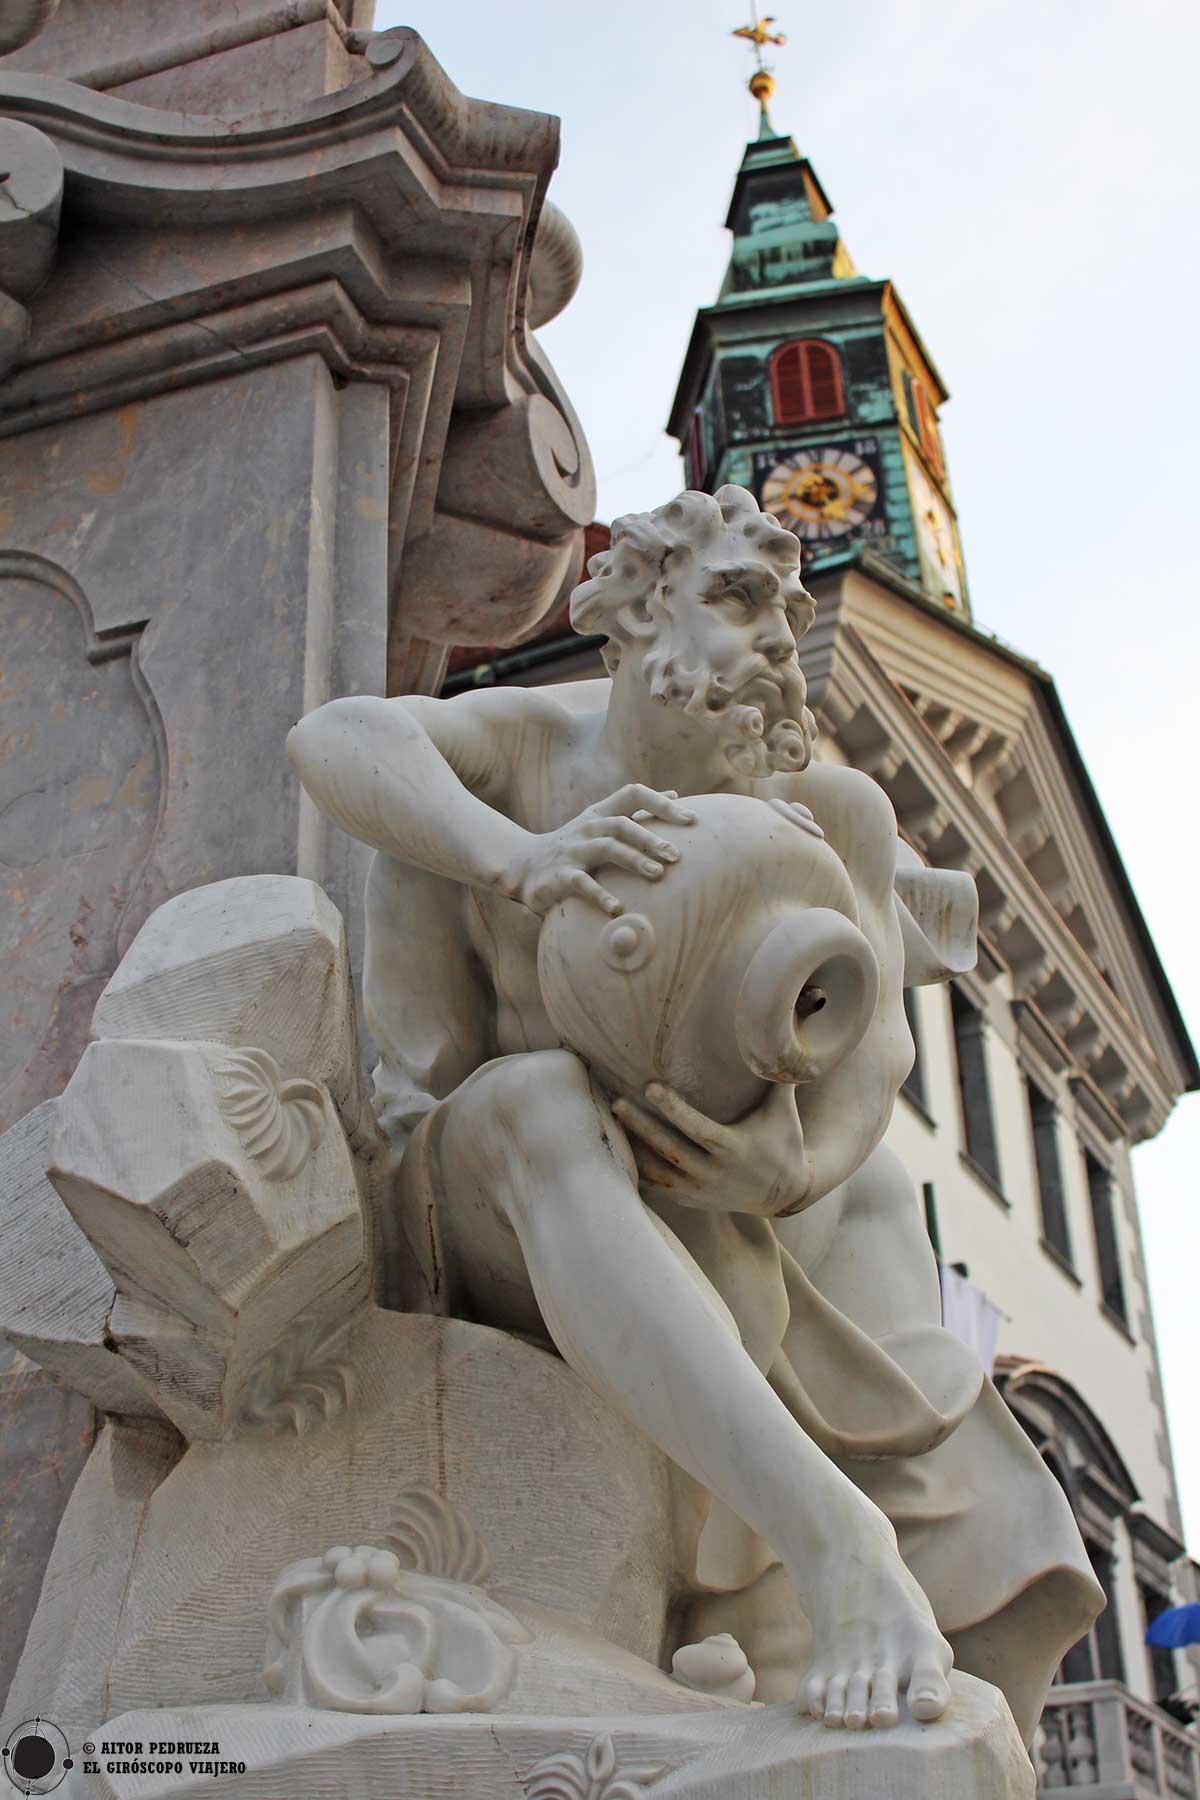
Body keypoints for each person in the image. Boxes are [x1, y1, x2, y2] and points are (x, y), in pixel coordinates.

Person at [289, 484, 1101, 1736]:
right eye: (735, 596)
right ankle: (831, 1537)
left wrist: (772, 1171)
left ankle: (771, 1593)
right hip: (465, 1193)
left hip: (700, 1200)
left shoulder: (829, 813)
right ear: (630, 607)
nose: (776, 636)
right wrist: (517, 856)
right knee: (543, 1100)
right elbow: (333, 737)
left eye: (785, 611)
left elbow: (871, 1054)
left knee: (869, 1186)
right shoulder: (526, 749)